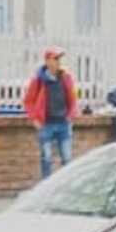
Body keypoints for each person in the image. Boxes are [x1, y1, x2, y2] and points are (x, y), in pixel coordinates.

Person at [22, 46, 76, 178]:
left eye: (60, 59)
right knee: (46, 158)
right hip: (46, 124)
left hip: (63, 122)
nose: (58, 62)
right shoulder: (39, 80)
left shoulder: (65, 77)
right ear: (47, 61)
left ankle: (67, 187)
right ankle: (46, 186)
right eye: (56, 58)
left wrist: (71, 115)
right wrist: (34, 118)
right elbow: (28, 101)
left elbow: (72, 98)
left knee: (67, 158)